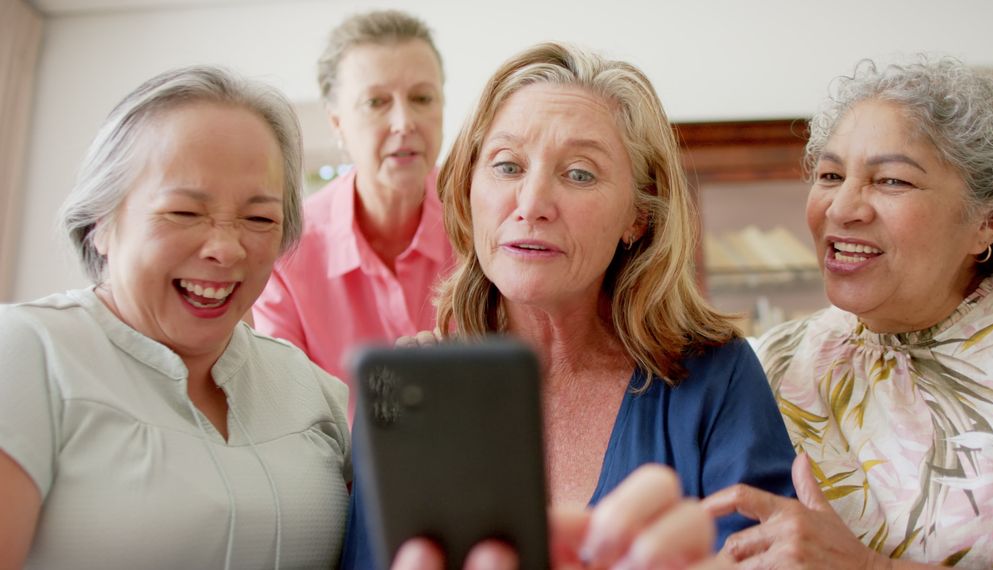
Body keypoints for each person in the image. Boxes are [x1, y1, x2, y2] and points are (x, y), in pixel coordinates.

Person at [341, 41, 796, 570]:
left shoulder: (716, 377)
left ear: (638, 216)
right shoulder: (407, 392)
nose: (531, 204)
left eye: (579, 173)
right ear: (468, 191)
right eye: (507, 166)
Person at [706, 58, 993, 569]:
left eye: (892, 181)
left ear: (988, 220)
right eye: (831, 175)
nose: (843, 208)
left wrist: (869, 567)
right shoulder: (773, 362)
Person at [0, 66, 351, 569]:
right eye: (185, 212)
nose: (226, 249)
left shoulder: (311, 389)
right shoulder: (27, 353)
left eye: (259, 219)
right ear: (102, 222)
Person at [252, 9, 453, 417]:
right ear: (338, 123)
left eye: (422, 98)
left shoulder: (485, 227)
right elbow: (289, 416)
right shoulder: (288, 247)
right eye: (376, 102)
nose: (404, 122)